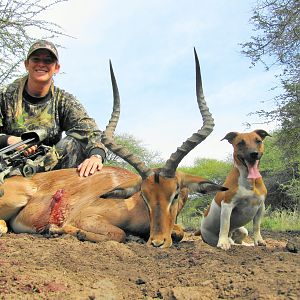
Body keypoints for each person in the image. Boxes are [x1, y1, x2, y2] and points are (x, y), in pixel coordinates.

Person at [0, 40, 107, 177]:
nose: (41, 64)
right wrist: (10, 140)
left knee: (73, 142)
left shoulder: (64, 100)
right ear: (27, 64)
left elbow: (91, 132)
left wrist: (96, 157)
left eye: (48, 61)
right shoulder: (5, 95)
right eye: (36, 59)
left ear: (56, 68)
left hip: (48, 167)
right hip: (7, 162)